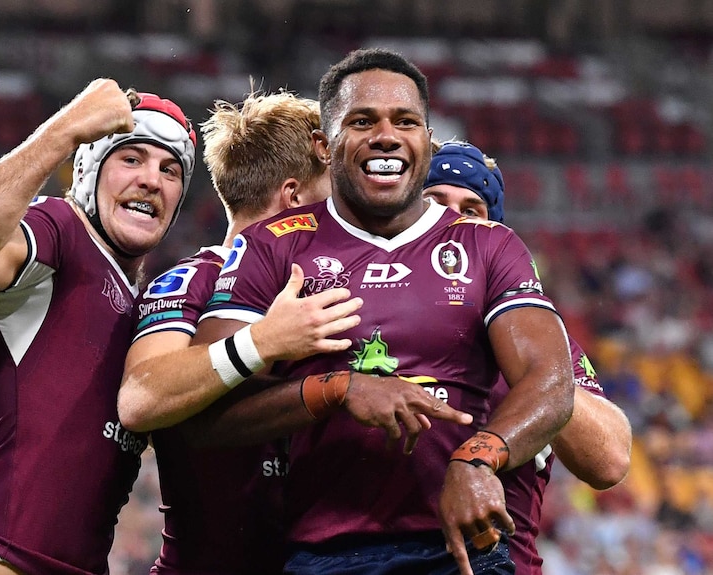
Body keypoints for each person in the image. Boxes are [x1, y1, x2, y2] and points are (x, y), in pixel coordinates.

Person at [189, 47, 574, 575]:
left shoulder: (490, 245)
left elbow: (551, 382)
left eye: (406, 121)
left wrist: (478, 456)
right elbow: (205, 413)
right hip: (323, 553)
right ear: (325, 147)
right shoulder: (271, 245)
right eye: (363, 120)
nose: (387, 136)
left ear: (424, 140)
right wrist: (337, 390)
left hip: (463, 551)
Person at [119, 89, 472, 574]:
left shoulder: (338, 287)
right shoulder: (191, 280)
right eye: (335, 194)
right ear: (292, 201)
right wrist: (262, 341)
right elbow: (142, 400)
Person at [0, 79, 198, 575]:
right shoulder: (61, 229)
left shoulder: (151, 306)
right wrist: (64, 130)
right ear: (87, 170)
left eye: (171, 170)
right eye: (132, 158)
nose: (152, 179)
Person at [423, 140, 632, 574]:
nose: (451, 220)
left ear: (494, 232)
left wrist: (535, 371)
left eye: (470, 210)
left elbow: (610, 460)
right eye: (433, 202)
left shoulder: (529, 330)